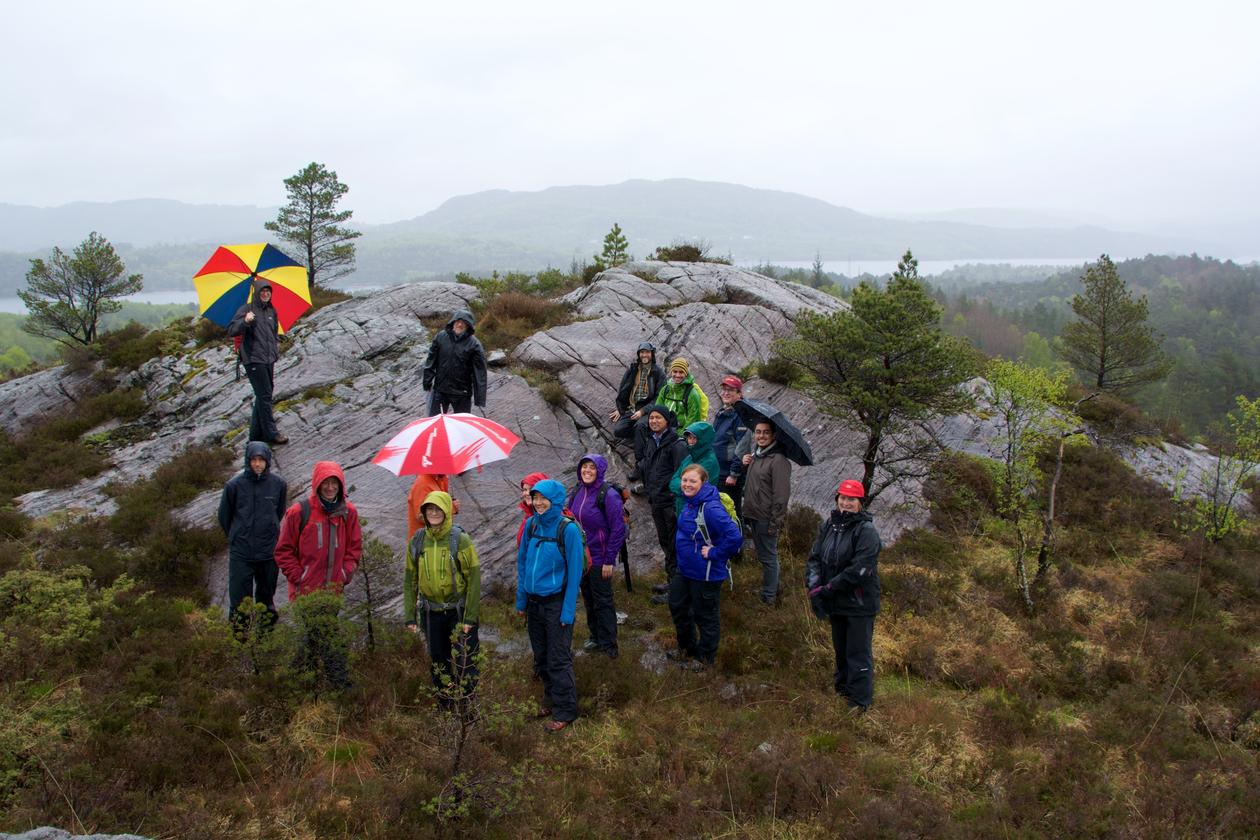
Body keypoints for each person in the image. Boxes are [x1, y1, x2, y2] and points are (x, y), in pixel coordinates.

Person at [274, 461, 363, 690]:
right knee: (325, 634)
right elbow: (283, 550)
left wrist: (345, 573)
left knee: (314, 638)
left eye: (334, 483)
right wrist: (299, 577)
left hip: (332, 590)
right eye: (326, 483)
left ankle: (299, 685)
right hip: (306, 591)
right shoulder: (298, 512)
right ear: (317, 484)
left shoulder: (348, 512)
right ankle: (341, 685)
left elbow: (354, 548)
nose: (330, 487)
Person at [806, 479, 882, 712]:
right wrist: (814, 584)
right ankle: (842, 690)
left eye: (852, 499)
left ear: (860, 502)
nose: (846, 503)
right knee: (840, 648)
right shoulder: (829, 525)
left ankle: (859, 702)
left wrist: (829, 588)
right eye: (843, 498)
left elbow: (860, 570)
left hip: (859, 603)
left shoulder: (866, 531)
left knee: (857, 652)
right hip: (835, 601)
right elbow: (815, 557)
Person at [516, 479, 585, 731]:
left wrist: (568, 611)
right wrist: (521, 599)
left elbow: (575, 573)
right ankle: (550, 699)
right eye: (535, 498)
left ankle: (566, 710)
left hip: (556, 604)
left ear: (555, 500)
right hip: (534, 604)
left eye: (543, 498)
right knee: (542, 656)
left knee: (558, 658)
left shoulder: (567, 530)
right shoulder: (531, 525)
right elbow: (522, 564)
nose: (538, 503)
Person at [404, 491, 481, 701]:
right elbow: (410, 578)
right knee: (438, 660)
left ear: (447, 511)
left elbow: (474, 579)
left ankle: (467, 708)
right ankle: (446, 706)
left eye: (439, 509)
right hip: (431, 613)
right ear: (424, 512)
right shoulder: (418, 540)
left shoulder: (460, 539)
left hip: (458, 612)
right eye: (430, 509)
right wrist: (410, 614)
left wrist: (470, 618)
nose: (434, 513)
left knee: (466, 662)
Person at [668, 464, 742, 670]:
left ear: (703, 483)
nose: (687, 484)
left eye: (693, 481)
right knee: (678, 605)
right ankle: (687, 648)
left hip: (707, 573)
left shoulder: (710, 507)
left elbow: (735, 537)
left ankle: (705, 659)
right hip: (685, 570)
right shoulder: (689, 502)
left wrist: (715, 552)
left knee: (705, 616)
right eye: (685, 480)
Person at [217, 440, 287, 632]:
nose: (257, 464)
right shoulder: (233, 486)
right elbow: (224, 516)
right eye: (254, 459)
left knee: (266, 600)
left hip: (268, 553)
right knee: (239, 602)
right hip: (242, 554)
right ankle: (241, 640)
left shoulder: (278, 485)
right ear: (247, 461)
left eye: (261, 460)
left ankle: (266, 638)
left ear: (267, 461)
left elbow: (279, 512)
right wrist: (237, 536)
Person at [569, 454, 625, 659]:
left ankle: (609, 644)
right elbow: (569, 519)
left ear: (600, 470)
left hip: (600, 558)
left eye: (592, 467)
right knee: (589, 598)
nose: (587, 471)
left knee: (603, 600)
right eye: (584, 467)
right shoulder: (577, 491)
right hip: (582, 558)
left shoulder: (608, 495)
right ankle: (595, 636)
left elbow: (618, 529)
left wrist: (609, 559)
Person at [636, 405, 690, 605]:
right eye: (651, 418)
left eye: (658, 418)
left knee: (676, 546)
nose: (654, 421)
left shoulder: (677, 444)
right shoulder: (652, 440)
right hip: (656, 500)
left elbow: (684, 475)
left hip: (671, 504)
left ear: (667, 421)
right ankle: (672, 581)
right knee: (666, 543)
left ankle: (676, 590)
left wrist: (675, 500)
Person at [227, 278, 287, 445]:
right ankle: (272, 434)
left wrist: (275, 348)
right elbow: (232, 330)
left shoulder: (271, 311)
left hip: (268, 358)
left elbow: (273, 332)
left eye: (268, 291)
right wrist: (245, 321)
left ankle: (255, 436)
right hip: (253, 359)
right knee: (265, 395)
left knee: (263, 395)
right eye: (262, 291)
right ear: (256, 292)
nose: (266, 293)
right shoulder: (246, 310)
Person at [742, 420, 792, 605]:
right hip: (753, 514)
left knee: (769, 557)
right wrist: (745, 463)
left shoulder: (778, 460)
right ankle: (770, 587)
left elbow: (781, 495)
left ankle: (769, 596)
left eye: (766, 433)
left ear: (773, 436)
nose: (761, 436)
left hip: (766, 517)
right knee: (763, 556)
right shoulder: (758, 456)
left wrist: (775, 522)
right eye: (758, 432)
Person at [610, 342, 666, 479]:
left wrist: (643, 411)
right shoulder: (633, 369)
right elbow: (624, 388)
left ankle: (640, 465)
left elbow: (659, 397)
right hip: (632, 408)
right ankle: (644, 436)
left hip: (648, 410)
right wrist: (621, 409)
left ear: (652, 354)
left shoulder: (658, 373)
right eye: (642, 352)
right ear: (639, 354)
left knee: (640, 426)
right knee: (619, 431)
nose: (644, 355)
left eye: (647, 352)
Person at [422, 309, 488, 414]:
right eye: (458, 321)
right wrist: (427, 382)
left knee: (461, 426)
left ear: (468, 325)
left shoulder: (474, 345)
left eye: (464, 322)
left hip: (462, 393)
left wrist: (479, 399)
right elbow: (431, 360)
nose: (460, 324)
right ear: (453, 322)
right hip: (440, 390)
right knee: (436, 423)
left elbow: (480, 373)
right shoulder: (441, 337)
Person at [712, 376, 751, 522]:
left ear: (739, 393)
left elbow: (743, 446)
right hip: (718, 470)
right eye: (724, 389)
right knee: (720, 511)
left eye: (730, 390)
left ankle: (737, 542)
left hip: (729, 474)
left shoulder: (740, 415)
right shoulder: (723, 412)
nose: (726, 393)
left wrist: (734, 473)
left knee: (732, 512)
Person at [668, 422, 721, 512]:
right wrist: (684, 487)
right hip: (682, 506)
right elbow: (673, 481)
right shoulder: (690, 457)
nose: (691, 441)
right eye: (689, 438)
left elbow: (696, 490)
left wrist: (682, 485)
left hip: (697, 510)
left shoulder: (709, 461)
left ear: (703, 439)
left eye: (694, 438)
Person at [654, 358, 707, 430]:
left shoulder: (692, 394)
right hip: (665, 430)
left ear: (686, 373)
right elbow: (657, 411)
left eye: (681, 372)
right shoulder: (665, 390)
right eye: (675, 371)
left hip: (682, 434)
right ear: (671, 372)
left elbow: (692, 420)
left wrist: (679, 436)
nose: (677, 375)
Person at [406, 473, 459, 541]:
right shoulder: (423, 484)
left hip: (439, 537)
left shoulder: (441, 478)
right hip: (423, 541)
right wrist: (452, 508)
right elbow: (421, 517)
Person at [516, 472, 550, 546]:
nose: (527, 493)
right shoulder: (529, 518)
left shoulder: (556, 517)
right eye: (524, 490)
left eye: (531, 489)